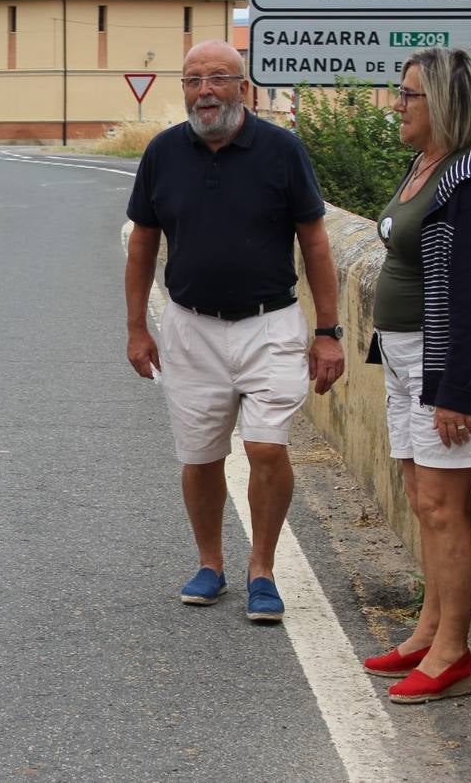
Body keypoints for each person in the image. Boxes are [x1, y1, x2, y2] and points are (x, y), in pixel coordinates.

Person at [125, 39, 345, 623]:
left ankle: (263, 569)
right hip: (190, 328)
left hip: (270, 324)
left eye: (218, 79)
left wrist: (328, 331)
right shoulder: (162, 154)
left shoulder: (282, 151)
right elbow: (143, 242)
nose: (205, 92)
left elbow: (317, 244)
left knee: (268, 447)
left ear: (242, 88)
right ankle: (210, 563)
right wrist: (135, 330)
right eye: (193, 81)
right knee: (199, 456)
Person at [361, 47, 471, 703]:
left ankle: (452, 652)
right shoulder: (426, 165)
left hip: (450, 367)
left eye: (408, 95)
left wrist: (455, 391)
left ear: (446, 106)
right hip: (407, 358)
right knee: (421, 500)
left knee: (442, 507)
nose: (396, 103)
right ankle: (426, 632)